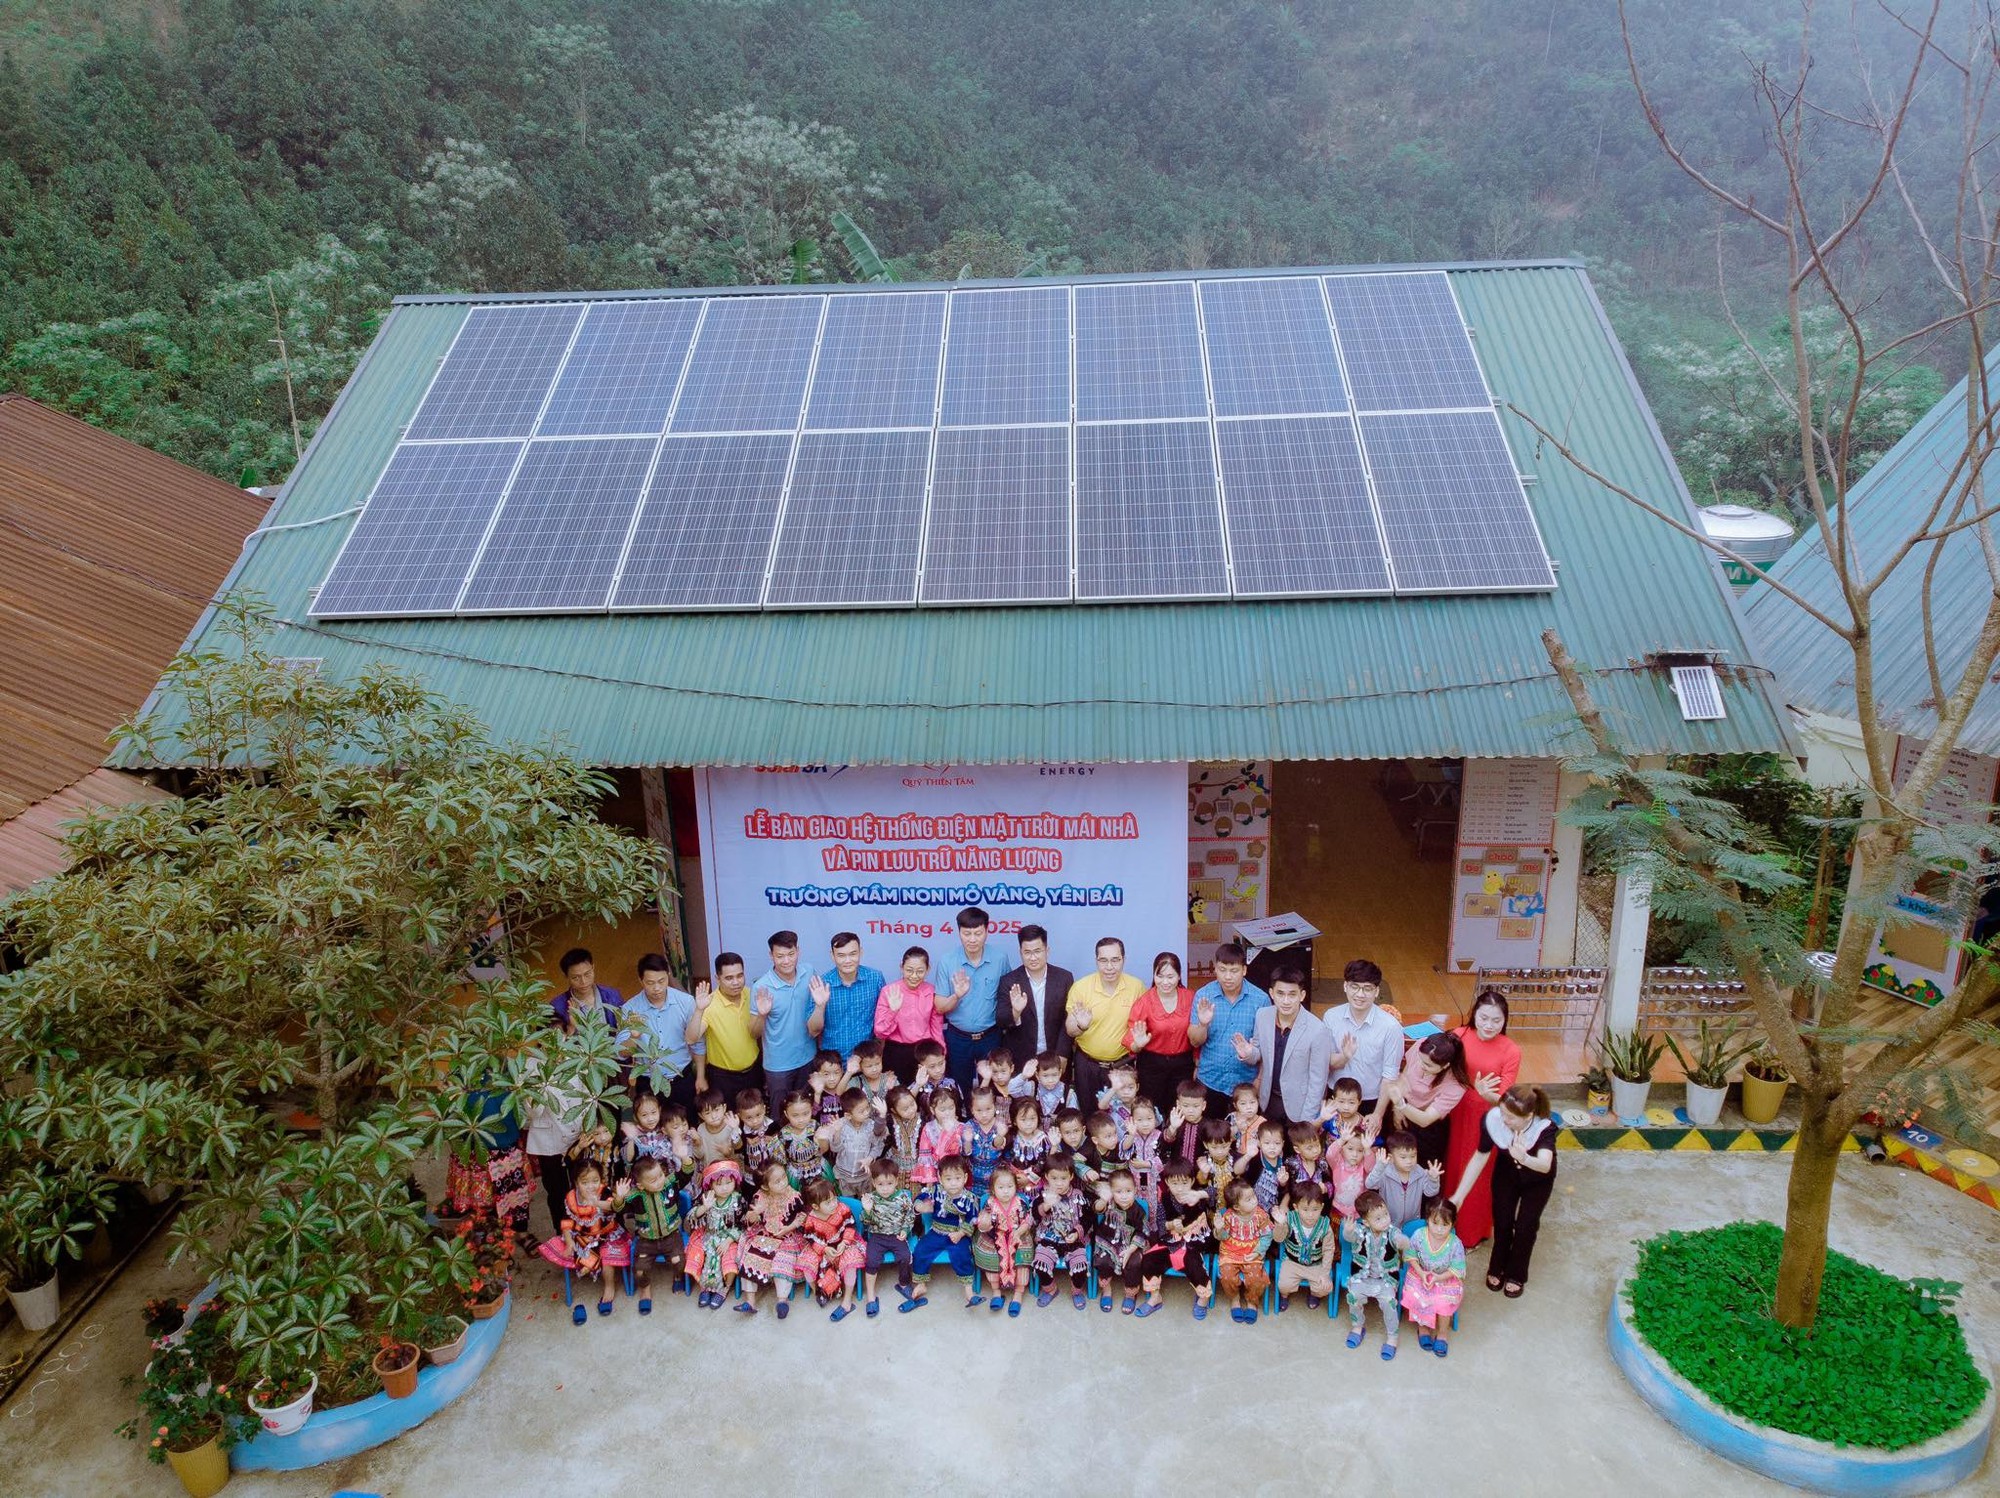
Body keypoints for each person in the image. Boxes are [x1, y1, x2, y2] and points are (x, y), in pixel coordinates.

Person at [1450, 1083, 1557, 1297]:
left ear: (1528, 1116)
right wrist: (1459, 1196)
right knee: (1502, 1221)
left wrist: (1524, 1158)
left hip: (1537, 1180)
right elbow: (1480, 1156)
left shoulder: (1544, 1128)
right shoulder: (1493, 1120)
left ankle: (1517, 1273)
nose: (1504, 1120)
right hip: (1506, 1174)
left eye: (1511, 1117)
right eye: (1502, 1113)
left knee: (1526, 1226)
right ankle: (1497, 1266)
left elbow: (1545, 1164)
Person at [1444, 987, 1524, 1249]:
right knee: (1450, 1165)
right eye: (1484, 1018)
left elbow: (1505, 1098)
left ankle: (1470, 1232)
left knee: (1478, 1174)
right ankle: (1442, 1222)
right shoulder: (1458, 1036)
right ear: (1474, 1015)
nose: (1489, 1025)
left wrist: (1486, 1095)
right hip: (1453, 1111)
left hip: (1488, 1117)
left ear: (1505, 1020)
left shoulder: (1511, 1050)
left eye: (1496, 1020)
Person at [1236, 966, 1332, 1130]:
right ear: (1271, 993)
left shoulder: (1318, 1029)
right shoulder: (1262, 1015)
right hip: (1268, 1100)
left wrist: (1307, 1120)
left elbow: (1318, 1079)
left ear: (1302, 995)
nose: (1286, 1001)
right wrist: (1248, 1053)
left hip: (1299, 1106)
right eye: (1280, 994)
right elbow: (1258, 1054)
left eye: (1292, 994)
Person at [537, 1159, 631, 1324]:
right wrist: (569, 1242)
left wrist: (596, 1202)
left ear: (601, 1180)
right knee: (573, 1249)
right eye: (585, 1182)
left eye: (595, 1180)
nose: (591, 1186)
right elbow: (566, 1223)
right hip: (581, 1235)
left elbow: (614, 1207)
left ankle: (609, 1287)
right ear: (576, 1182)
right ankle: (588, 1263)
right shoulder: (571, 1197)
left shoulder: (604, 1192)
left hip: (606, 1234)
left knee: (607, 1258)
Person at [933, 907, 1015, 1094]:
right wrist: (957, 995)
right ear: (959, 933)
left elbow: (1007, 997)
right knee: (959, 1090)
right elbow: (939, 1007)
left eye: (978, 933)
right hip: (958, 1038)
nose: (972, 939)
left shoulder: (1000, 959)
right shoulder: (947, 961)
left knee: (993, 1088)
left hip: (991, 1036)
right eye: (966, 933)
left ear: (987, 931)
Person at [1189, 941, 1271, 1117]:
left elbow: (1267, 1047)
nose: (1228, 977)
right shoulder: (1204, 996)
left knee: (1244, 1131)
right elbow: (1194, 1041)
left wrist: (1259, 1079)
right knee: (1211, 1131)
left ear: (1244, 970)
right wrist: (1203, 1024)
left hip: (1246, 1084)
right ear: (1215, 969)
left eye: (1234, 971)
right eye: (1222, 970)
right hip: (1211, 1080)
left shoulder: (1261, 999)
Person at [1323, 958, 1405, 1131]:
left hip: (1371, 1101)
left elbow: (1390, 1075)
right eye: (1354, 987)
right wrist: (1344, 1057)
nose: (1360, 995)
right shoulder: (1331, 1016)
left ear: (1376, 991)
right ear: (1345, 986)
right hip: (1337, 1099)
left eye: (1367, 989)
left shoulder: (1391, 1027)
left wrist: (1378, 1114)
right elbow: (1326, 1062)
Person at [619, 954, 705, 1118]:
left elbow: (698, 1043)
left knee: (687, 1124)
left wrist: (700, 1076)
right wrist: (634, 1036)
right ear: (641, 981)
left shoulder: (686, 1001)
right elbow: (621, 1053)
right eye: (650, 983)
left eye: (661, 981)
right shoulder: (630, 1009)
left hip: (682, 1078)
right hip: (648, 1082)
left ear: (668, 976)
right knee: (653, 1129)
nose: (657, 988)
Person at [1065, 937, 1144, 1106]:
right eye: (1103, 960)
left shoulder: (1136, 987)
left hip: (1122, 1066)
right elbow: (1070, 1030)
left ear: (1124, 960)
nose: (1109, 967)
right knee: (1088, 1113)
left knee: (1120, 1115)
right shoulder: (1081, 987)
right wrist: (1081, 1026)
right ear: (1096, 961)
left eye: (1115, 960)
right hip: (1087, 1064)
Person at [1133, 1159, 1215, 1319]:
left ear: (1192, 1181)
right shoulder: (1164, 1199)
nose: (1180, 1188)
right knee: (1149, 1259)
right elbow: (1160, 1223)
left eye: (1184, 1183)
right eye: (1175, 1183)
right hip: (1171, 1239)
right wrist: (1170, 1225)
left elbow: (1216, 1193)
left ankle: (1203, 1298)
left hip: (1195, 1240)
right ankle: (1155, 1297)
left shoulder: (1197, 1194)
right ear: (1167, 1183)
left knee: (1193, 1263)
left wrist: (1199, 1194)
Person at [751, 931, 821, 1107]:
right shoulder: (761, 987)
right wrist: (762, 1014)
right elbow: (753, 1033)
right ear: (771, 955)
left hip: (808, 1058)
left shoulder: (809, 971)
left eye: (791, 954)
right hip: (778, 1066)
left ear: (798, 951)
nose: (787, 961)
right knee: (780, 1113)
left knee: (806, 1111)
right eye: (780, 956)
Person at [1342, 1189, 1413, 1358]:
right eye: (1378, 1218)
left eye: (1386, 1214)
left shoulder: (1392, 1232)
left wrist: (1403, 1242)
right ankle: (1357, 1326)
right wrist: (1348, 1231)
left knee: (1389, 1302)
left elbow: (1399, 1239)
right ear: (1366, 1222)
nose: (1385, 1220)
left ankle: (1392, 1336)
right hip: (1362, 1277)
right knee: (1353, 1295)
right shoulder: (1361, 1231)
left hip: (1386, 1279)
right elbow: (1350, 1238)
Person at [1126, 951, 1198, 1114]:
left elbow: (1198, 1033)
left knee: (1180, 1109)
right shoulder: (1144, 1002)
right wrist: (1137, 1044)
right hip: (1152, 1065)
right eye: (1160, 976)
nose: (1165, 982)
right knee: (1152, 1110)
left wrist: (1197, 1062)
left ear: (1179, 976)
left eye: (1170, 977)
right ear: (1154, 975)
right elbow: (1131, 1039)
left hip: (1183, 1064)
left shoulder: (1191, 998)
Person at [1385, 1031, 1468, 1170]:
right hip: (1403, 1109)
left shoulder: (1455, 1085)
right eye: (1421, 1059)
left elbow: (1425, 1119)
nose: (1421, 1065)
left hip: (1427, 1128)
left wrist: (1400, 1104)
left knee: (1421, 1168)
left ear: (1445, 1065)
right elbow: (1405, 1074)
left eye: (1428, 1065)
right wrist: (1397, 1108)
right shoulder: (1422, 1045)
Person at [907, 1155, 982, 1309]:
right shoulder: (935, 1191)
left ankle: (969, 1291)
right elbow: (920, 1197)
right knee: (920, 1250)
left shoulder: (970, 1198)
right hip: (936, 1231)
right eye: (948, 1179)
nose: (953, 1183)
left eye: (957, 1178)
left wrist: (961, 1234)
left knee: (962, 1255)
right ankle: (921, 1284)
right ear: (940, 1179)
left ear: (965, 1178)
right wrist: (919, 1206)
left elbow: (973, 1219)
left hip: (958, 1234)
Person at [994, 924, 1074, 1067]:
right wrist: (1016, 1012)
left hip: (1055, 1059)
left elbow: (1067, 1020)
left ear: (1047, 951)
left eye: (1037, 951)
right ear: (1020, 953)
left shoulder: (1064, 978)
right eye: (1027, 952)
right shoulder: (1009, 981)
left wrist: (1063, 1054)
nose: (1033, 957)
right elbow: (1001, 1021)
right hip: (1020, 1060)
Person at [737, 1160, 807, 1317]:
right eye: (777, 1181)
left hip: (788, 1237)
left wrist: (789, 1228)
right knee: (751, 1256)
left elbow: (802, 1216)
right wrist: (755, 1214)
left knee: (783, 1260)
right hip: (764, 1235)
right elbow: (749, 1220)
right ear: (765, 1186)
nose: (783, 1182)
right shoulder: (759, 1197)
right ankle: (750, 1301)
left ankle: (782, 1301)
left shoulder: (794, 1196)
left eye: (784, 1177)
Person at [614, 1156, 683, 1315]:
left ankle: (678, 1277)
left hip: (671, 1236)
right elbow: (619, 1209)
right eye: (653, 1180)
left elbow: (686, 1173)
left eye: (661, 1175)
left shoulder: (670, 1184)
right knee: (639, 1270)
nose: (659, 1181)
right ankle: (645, 1289)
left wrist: (685, 1157)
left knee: (679, 1262)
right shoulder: (635, 1196)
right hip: (646, 1241)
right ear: (640, 1185)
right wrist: (619, 1197)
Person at [1402, 1197, 1467, 1357]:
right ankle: (1423, 1328)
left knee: (1443, 1302)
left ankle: (1442, 1333)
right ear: (1427, 1220)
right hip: (1420, 1273)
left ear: (1452, 1224)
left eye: (1445, 1225)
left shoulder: (1455, 1243)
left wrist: (1439, 1278)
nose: (1439, 1229)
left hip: (1445, 1278)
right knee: (1417, 1296)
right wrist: (1421, 1272)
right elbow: (1410, 1256)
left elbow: (1457, 1268)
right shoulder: (1419, 1235)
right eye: (1435, 1223)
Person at [859, 1157, 920, 1316]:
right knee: (871, 1261)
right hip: (877, 1237)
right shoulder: (871, 1199)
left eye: (889, 1184)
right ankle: (871, 1297)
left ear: (896, 1181)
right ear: (874, 1183)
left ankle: (903, 1284)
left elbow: (910, 1216)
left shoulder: (903, 1198)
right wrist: (867, 1211)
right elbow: (864, 1222)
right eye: (880, 1184)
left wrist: (905, 1230)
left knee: (905, 1257)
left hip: (896, 1236)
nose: (885, 1189)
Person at [873, 946, 942, 1085]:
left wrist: (940, 1053)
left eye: (920, 971)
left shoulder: (931, 991)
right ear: (901, 967)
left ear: (928, 969)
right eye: (909, 970)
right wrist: (893, 1012)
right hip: (896, 1052)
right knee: (897, 1093)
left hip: (924, 1052)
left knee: (924, 1092)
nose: (914, 976)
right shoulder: (889, 991)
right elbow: (880, 1032)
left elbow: (936, 1028)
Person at [798, 1179, 866, 1321]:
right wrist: (824, 1249)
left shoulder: (842, 1208)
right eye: (828, 1202)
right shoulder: (811, 1219)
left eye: (834, 1198)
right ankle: (819, 1291)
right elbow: (811, 1238)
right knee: (806, 1264)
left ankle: (847, 1302)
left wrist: (845, 1242)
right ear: (815, 1206)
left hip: (845, 1242)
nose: (834, 1203)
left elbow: (850, 1226)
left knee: (851, 1262)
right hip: (822, 1247)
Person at [699, 954, 761, 1105]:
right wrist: (698, 1010)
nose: (736, 982)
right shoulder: (709, 1004)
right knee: (729, 1115)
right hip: (723, 1077)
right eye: (729, 978)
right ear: (717, 978)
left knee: (755, 1114)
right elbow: (691, 1038)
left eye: (740, 976)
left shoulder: (751, 995)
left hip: (754, 1070)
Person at [685, 1160, 747, 1309]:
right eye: (719, 1184)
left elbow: (744, 1225)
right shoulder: (707, 1198)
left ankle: (724, 1289)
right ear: (711, 1185)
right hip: (709, 1235)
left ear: (735, 1181)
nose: (724, 1188)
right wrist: (704, 1208)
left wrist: (728, 1240)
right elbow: (691, 1217)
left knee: (729, 1258)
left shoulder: (739, 1200)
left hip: (731, 1238)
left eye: (728, 1183)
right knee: (700, 1254)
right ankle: (705, 1288)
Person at [972, 1165, 1034, 1315]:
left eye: (1010, 1187)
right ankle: (996, 1292)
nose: (1006, 1191)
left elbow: (1027, 1221)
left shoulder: (1020, 1202)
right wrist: (984, 1223)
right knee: (991, 1255)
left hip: (1018, 1234)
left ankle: (1018, 1294)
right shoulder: (989, 1204)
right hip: (994, 1235)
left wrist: (1019, 1232)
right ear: (993, 1189)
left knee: (1022, 1254)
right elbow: (983, 1222)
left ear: (1016, 1187)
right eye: (1001, 1187)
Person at [1031, 1155, 1091, 1308]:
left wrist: (1076, 1233)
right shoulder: (1043, 1195)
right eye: (1054, 1178)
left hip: (1073, 1241)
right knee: (1040, 1263)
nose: (1059, 1183)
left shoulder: (1079, 1196)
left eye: (1063, 1178)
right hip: (1049, 1239)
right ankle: (1050, 1290)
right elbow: (1035, 1215)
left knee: (1080, 1267)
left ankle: (1076, 1291)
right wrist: (1045, 1206)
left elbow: (1088, 1219)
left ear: (1071, 1176)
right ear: (1046, 1177)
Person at [1271, 1179, 1338, 1311]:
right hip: (1292, 1263)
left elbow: (1328, 1251)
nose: (1310, 1215)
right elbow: (1278, 1239)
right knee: (1283, 1285)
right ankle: (1284, 1295)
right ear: (1296, 1207)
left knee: (1326, 1288)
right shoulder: (1289, 1218)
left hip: (1315, 1265)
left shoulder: (1325, 1226)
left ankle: (1314, 1294)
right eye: (1305, 1209)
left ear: (1322, 1207)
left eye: (1315, 1209)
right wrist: (1280, 1224)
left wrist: (1325, 1274)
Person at [1090, 1168, 1150, 1314]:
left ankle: (1130, 1293)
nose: (1124, 1196)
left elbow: (1142, 1232)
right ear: (1111, 1192)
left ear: (1135, 1190)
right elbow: (1097, 1208)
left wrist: (1130, 1250)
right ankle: (1106, 1289)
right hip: (1107, 1242)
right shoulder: (1108, 1204)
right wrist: (1104, 1199)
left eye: (1128, 1191)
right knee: (1102, 1260)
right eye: (1118, 1192)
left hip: (1130, 1245)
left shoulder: (1138, 1210)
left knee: (1133, 1263)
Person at [819, 931, 886, 1060]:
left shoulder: (875, 978)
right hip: (834, 1061)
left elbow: (883, 1017)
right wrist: (819, 1005)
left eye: (853, 954)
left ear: (861, 952)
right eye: (841, 955)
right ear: (832, 955)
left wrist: (878, 1050)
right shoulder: (822, 983)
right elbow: (813, 1030)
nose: (848, 960)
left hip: (867, 1060)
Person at [1213, 1179, 1271, 1324]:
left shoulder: (1261, 1215)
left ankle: (1252, 1301)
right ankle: (1234, 1299)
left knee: (1256, 1278)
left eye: (1254, 1196)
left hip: (1252, 1252)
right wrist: (1219, 1229)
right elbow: (1223, 1237)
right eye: (1249, 1199)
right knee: (1227, 1276)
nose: (1254, 1200)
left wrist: (1258, 1252)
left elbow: (1267, 1235)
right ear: (1236, 1207)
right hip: (1230, 1253)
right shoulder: (1228, 1216)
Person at [1366, 1129, 1442, 1226]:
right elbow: (1370, 1184)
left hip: (1412, 1223)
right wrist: (1379, 1167)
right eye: (1403, 1157)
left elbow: (1430, 1192)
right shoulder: (1384, 1172)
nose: (1409, 1161)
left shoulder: (1420, 1172)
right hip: (1388, 1224)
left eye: (1413, 1156)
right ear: (1391, 1158)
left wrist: (1433, 1179)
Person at [821, 1087, 887, 1196]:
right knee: (848, 1203)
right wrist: (837, 1132)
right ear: (848, 1115)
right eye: (861, 1111)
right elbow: (835, 1149)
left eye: (867, 1107)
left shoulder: (871, 1125)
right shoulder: (841, 1125)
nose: (866, 1112)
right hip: (844, 1177)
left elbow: (878, 1145)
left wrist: (870, 1158)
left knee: (865, 1202)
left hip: (864, 1176)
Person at [549, 947, 623, 1031]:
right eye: (576, 978)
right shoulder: (557, 1007)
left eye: (587, 974)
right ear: (566, 976)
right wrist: (572, 1027)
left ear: (593, 967)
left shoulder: (613, 995)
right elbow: (553, 1039)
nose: (583, 982)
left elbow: (626, 1029)